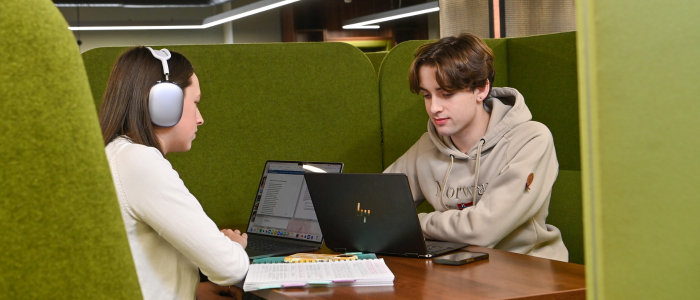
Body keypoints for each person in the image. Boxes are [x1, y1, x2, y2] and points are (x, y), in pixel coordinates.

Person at [384, 33, 568, 262]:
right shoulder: (428, 146)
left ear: (481, 89)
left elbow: (483, 230)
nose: (434, 108)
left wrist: (414, 223)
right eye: (426, 95)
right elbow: (374, 205)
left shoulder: (531, 139)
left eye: (446, 94)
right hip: (459, 269)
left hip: (527, 269)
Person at [99, 46, 250, 300]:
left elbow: (141, 262)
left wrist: (191, 290)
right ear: (164, 103)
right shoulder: (139, 162)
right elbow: (231, 268)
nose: (200, 119)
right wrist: (235, 246)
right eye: (195, 103)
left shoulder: (116, 154)